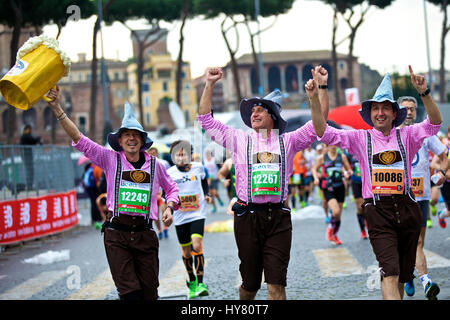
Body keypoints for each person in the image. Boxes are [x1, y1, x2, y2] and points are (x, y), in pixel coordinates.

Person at [197, 65, 329, 300]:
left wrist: (319, 92)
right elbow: (206, 121)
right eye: (252, 110)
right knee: (250, 285)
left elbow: (320, 126)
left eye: (260, 110)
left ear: (273, 116)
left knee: (276, 285)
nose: (254, 113)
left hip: (278, 218)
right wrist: (209, 84)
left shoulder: (289, 141)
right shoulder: (238, 139)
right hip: (247, 217)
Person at [311, 66, 442, 300]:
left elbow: (434, 124)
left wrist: (425, 92)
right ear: (370, 113)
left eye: (385, 108)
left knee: (400, 274)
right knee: (389, 271)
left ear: (394, 113)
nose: (380, 112)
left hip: (407, 207)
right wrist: (321, 90)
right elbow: (323, 132)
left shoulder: (408, 135)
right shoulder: (360, 138)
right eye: (375, 108)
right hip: (378, 211)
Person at [46, 86, 179, 300]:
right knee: (129, 293)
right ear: (119, 140)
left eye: (135, 135)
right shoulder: (110, 159)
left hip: (145, 234)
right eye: (126, 134)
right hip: (117, 234)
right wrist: (57, 108)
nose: (131, 139)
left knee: (149, 293)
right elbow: (80, 140)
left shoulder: (157, 165)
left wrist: (170, 207)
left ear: (143, 140)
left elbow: (172, 188)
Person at [397, 95, 447, 299]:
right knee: (403, 242)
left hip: (422, 197)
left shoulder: (425, 133)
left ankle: (425, 281)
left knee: (418, 242)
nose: (409, 112)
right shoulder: (391, 134)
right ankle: (409, 275)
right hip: (398, 198)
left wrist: (442, 173)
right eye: (405, 108)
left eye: (412, 109)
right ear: (398, 111)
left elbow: (445, 155)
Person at [167, 140, 213, 299]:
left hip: (197, 213)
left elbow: (204, 181)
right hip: (180, 216)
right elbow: (167, 191)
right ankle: (192, 280)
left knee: (197, 245)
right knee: (186, 252)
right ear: (173, 157)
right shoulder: (170, 173)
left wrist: (206, 194)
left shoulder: (198, 167)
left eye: (184, 154)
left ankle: (200, 283)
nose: (181, 158)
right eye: (178, 155)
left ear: (189, 154)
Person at [312, 144, 352, 245]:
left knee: (338, 216)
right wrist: (316, 178)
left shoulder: (342, 157)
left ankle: (335, 235)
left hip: (340, 187)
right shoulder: (322, 158)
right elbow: (314, 169)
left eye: (334, 144)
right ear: (327, 146)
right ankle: (330, 229)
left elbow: (349, 169)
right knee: (336, 211)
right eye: (330, 144)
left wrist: (348, 173)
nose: (333, 146)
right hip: (328, 187)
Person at [147, 147, 170, 239]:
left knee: (164, 211)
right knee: (155, 215)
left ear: (157, 154)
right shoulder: (146, 165)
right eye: (151, 153)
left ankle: (165, 228)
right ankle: (159, 230)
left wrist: (166, 190)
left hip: (161, 192)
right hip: (152, 194)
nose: (153, 155)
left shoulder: (164, 163)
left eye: (154, 153)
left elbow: (169, 177)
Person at [346, 151, 368, 239]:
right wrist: (347, 172)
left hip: (367, 182)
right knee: (360, 207)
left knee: (367, 206)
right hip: (356, 182)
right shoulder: (349, 154)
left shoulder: (366, 149)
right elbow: (346, 166)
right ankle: (362, 230)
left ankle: (366, 221)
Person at [20, 124, 42, 191]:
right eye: (29, 129)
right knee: (29, 171)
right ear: (27, 129)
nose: (30, 131)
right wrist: (37, 140)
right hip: (26, 156)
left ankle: (30, 186)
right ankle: (29, 186)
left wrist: (37, 141)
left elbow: (32, 141)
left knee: (30, 171)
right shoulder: (24, 136)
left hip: (29, 156)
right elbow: (32, 140)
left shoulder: (27, 136)